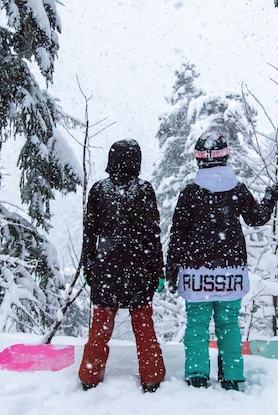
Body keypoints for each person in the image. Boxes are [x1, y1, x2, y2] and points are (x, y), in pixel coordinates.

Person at [166, 129, 278, 391]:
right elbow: (257, 218)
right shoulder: (237, 190)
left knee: (197, 326)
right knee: (229, 325)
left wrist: (171, 270)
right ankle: (232, 377)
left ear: (198, 159)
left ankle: (198, 376)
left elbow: (177, 235)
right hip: (231, 270)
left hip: (196, 272)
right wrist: (273, 193)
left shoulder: (190, 194)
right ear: (225, 157)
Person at [79, 139, 166, 393]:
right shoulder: (145, 190)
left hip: (106, 268)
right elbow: (153, 233)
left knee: (101, 326)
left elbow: (89, 233)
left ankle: (90, 375)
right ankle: (151, 377)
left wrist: (88, 266)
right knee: (143, 325)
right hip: (139, 267)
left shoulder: (99, 190)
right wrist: (157, 270)